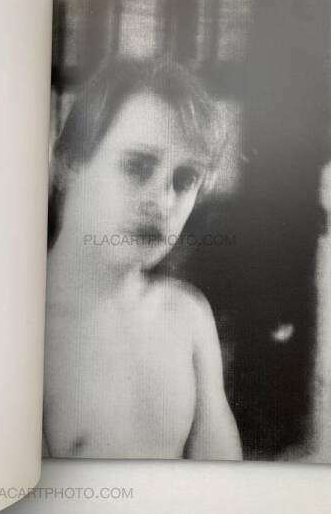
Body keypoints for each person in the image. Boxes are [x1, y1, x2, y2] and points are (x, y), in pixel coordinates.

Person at [43, 57, 242, 460]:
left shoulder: (185, 316)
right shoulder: (18, 326)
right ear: (69, 163)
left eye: (185, 179)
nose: (163, 201)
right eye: (137, 166)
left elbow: (226, 484)